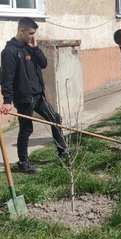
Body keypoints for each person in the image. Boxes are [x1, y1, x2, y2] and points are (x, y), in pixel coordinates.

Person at [0, 17, 68, 174]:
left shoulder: (30, 47)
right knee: (26, 129)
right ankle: (23, 162)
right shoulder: (10, 51)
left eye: (34, 33)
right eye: (31, 33)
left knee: (55, 119)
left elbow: (43, 63)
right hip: (24, 98)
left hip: (38, 95)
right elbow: (6, 78)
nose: (33, 36)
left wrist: (35, 48)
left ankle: (62, 151)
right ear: (21, 31)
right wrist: (7, 100)